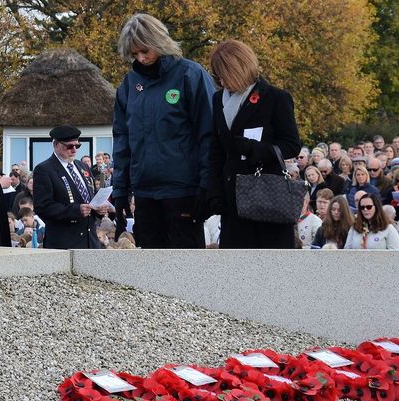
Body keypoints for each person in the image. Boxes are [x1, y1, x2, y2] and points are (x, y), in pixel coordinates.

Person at [112, 14, 214, 249]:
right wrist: (120, 190)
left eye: (145, 50)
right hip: (146, 192)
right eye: (135, 53)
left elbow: (208, 133)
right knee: (152, 272)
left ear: (159, 42)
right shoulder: (129, 85)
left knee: (187, 269)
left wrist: (206, 185)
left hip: (183, 190)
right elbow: (123, 139)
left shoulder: (191, 75)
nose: (141, 58)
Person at [204, 38, 302, 249]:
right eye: (217, 76)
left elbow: (292, 144)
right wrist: (214, 192)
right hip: (232, 199)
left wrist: (257, 150)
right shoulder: (217, 99)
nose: (221, 81)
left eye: (224, 75)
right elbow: (216, 150)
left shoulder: (276, 98)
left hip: (266, 194)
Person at [33, 125, 111, 249]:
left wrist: (98, 209)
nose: (74, 150)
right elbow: (42, 207)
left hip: (90, 241)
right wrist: (75, 210)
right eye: (69, 146)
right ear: (56, 144)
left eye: (77, 146)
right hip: (65, 242)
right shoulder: (44, 170)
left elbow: (91, 197)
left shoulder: (83, 166)